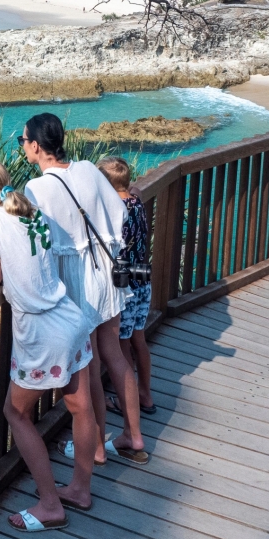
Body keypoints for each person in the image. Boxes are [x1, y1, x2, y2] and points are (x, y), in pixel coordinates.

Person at [0, 159, 97, 532]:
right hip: (70, 317)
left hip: (41, 331)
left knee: (16, 413)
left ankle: (50, 504)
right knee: (81, 406)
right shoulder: (30, 209)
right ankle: (80, 490)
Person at [22, 114, 149, 466]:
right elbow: (119, 214)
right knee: (115, 356)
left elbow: (38, 244)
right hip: (107, 273)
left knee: (89, 366)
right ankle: (133, 436)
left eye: (23, 142)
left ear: (35, 145)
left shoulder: (37, 189)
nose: (23, 148)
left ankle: (94, 446)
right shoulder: (89, 169)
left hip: (77, 283)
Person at [97, 157, 156, 416]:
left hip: (125, 288)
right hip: (142, 281)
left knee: (121, 346)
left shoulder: (113, 211)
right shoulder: (136, 202)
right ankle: (146, 393)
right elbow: (136, 191)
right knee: (139, 341)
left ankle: (127, 399)